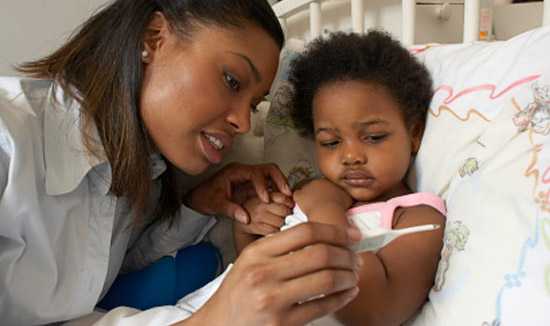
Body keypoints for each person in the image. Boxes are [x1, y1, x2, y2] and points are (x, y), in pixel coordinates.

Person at [0, 1, 363, 325]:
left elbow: (94, 282)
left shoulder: (140, 169)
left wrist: (197, 205)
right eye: (232, 80)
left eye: (253, 104)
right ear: (154, 37)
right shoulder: (9, 138)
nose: (244, 122)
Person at [233, 30, 447, 325]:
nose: (350, 156)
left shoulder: (417, 219)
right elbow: (251, 273)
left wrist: (327, 213)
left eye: (373, 137)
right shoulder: (308, 191)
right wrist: (248, 228)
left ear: (414, 134)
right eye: (331, 142)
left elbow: (373, 311)